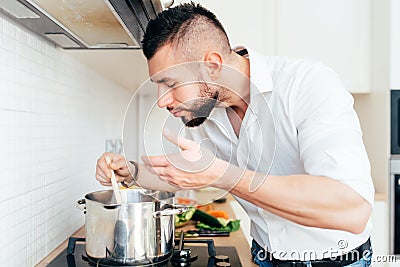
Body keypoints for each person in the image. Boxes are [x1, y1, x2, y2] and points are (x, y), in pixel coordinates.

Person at [95, 2, 374, 267]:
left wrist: (222, 174)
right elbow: (187, 171)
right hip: (262, 257)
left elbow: (353, 210)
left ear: (212, 66)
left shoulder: (307, 85)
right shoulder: (205, 110)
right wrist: (130, 172)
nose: (162, 100)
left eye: (170, 83)